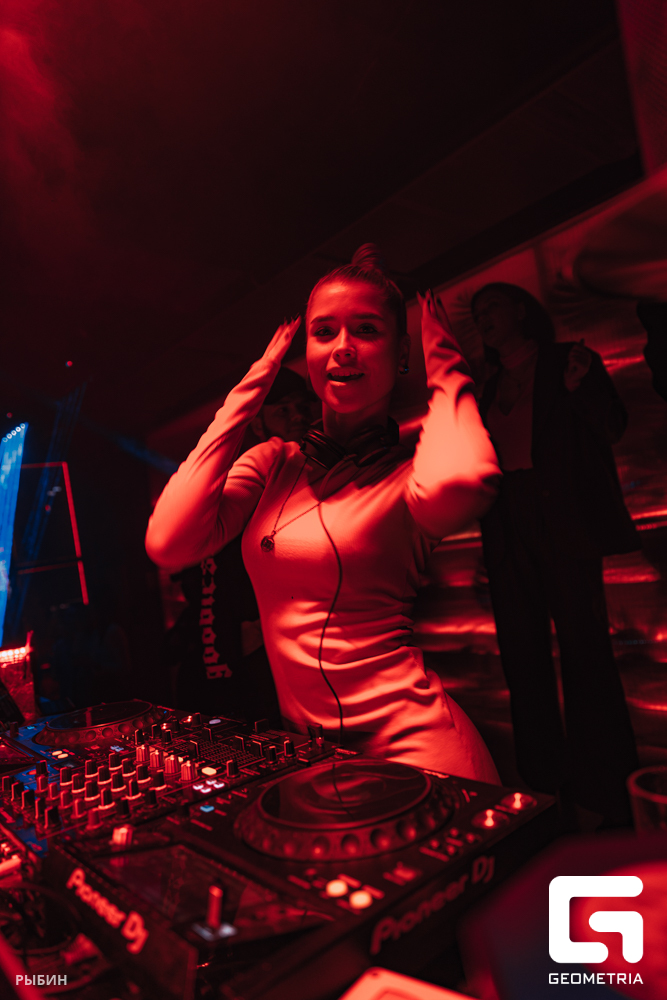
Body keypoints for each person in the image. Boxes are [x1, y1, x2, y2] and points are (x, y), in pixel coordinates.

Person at [147, 245, 501, 781]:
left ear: (402, 353)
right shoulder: (272, 463)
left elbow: (463, 481)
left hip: (422, 758)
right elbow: (168, 541)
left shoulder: (411, 478)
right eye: (324, 332)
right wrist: (253, 385)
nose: (343, 348)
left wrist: (446, 361)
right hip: (316, 760)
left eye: (367, 330)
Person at [471, 282, 640, 826]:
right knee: (522, 657)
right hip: (508, 523)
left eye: (492, 306)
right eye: (477, 313)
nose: (483, 318)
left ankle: (605, 789)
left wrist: (578, 388)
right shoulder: (486, 389)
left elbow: (612, 426)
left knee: (586, 652)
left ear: (521, 310)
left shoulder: (568, 360)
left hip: (563, 518)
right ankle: (545, 786)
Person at [166, 367, 314, 723]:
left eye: (301, 407)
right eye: (283, 410)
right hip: (252, 654)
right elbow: (212, 582)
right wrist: (233, 646)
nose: (297, 417)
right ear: (259, 426)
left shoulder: (314, 472)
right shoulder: (246, 484)